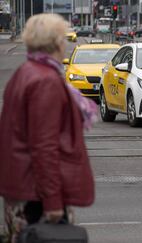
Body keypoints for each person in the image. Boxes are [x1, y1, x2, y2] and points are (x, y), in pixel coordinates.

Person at [0, 14, 96, 243]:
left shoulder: (26, 72)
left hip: (25, 189)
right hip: (39, 197)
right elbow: (44, 146)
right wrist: (53, 202)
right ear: (56, 42)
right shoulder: (46, 81)